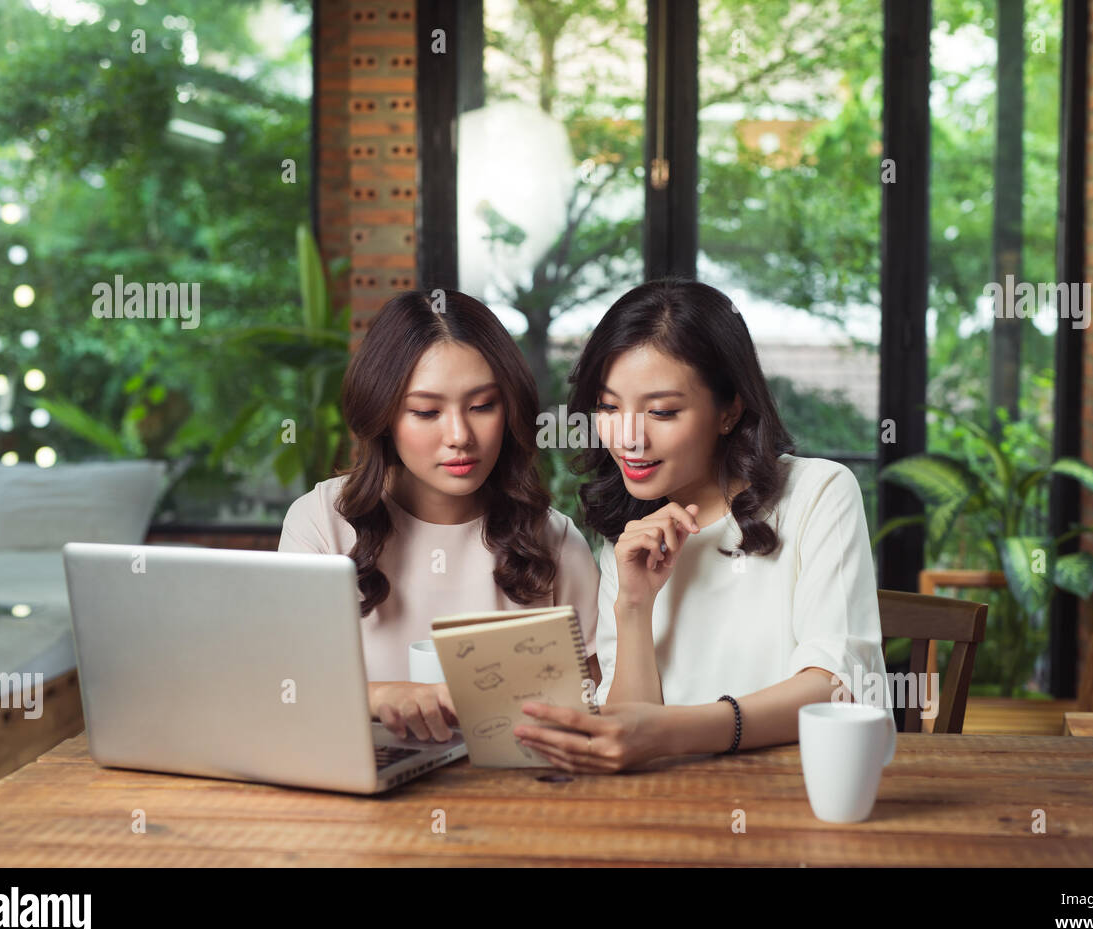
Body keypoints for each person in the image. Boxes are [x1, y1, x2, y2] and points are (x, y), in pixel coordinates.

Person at [512, 277, 889, 772]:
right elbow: (628, 737)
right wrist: (633, 604)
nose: (628, 438)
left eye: (662, 411)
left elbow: (835, 686)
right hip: (673, 805)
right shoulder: (628, 537)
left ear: (729, 410)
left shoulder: (818, 493)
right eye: (608, 407)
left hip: (800, 797)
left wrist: (675, 730)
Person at [279, 289, 601, 743]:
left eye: (483, 406)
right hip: (361, 787)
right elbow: (284, 687)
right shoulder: (321, 523)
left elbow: (594, 697)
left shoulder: (553, 539)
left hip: (514, 794)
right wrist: (375, 695)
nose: (460, 436)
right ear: (385, 415)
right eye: (426, 411)